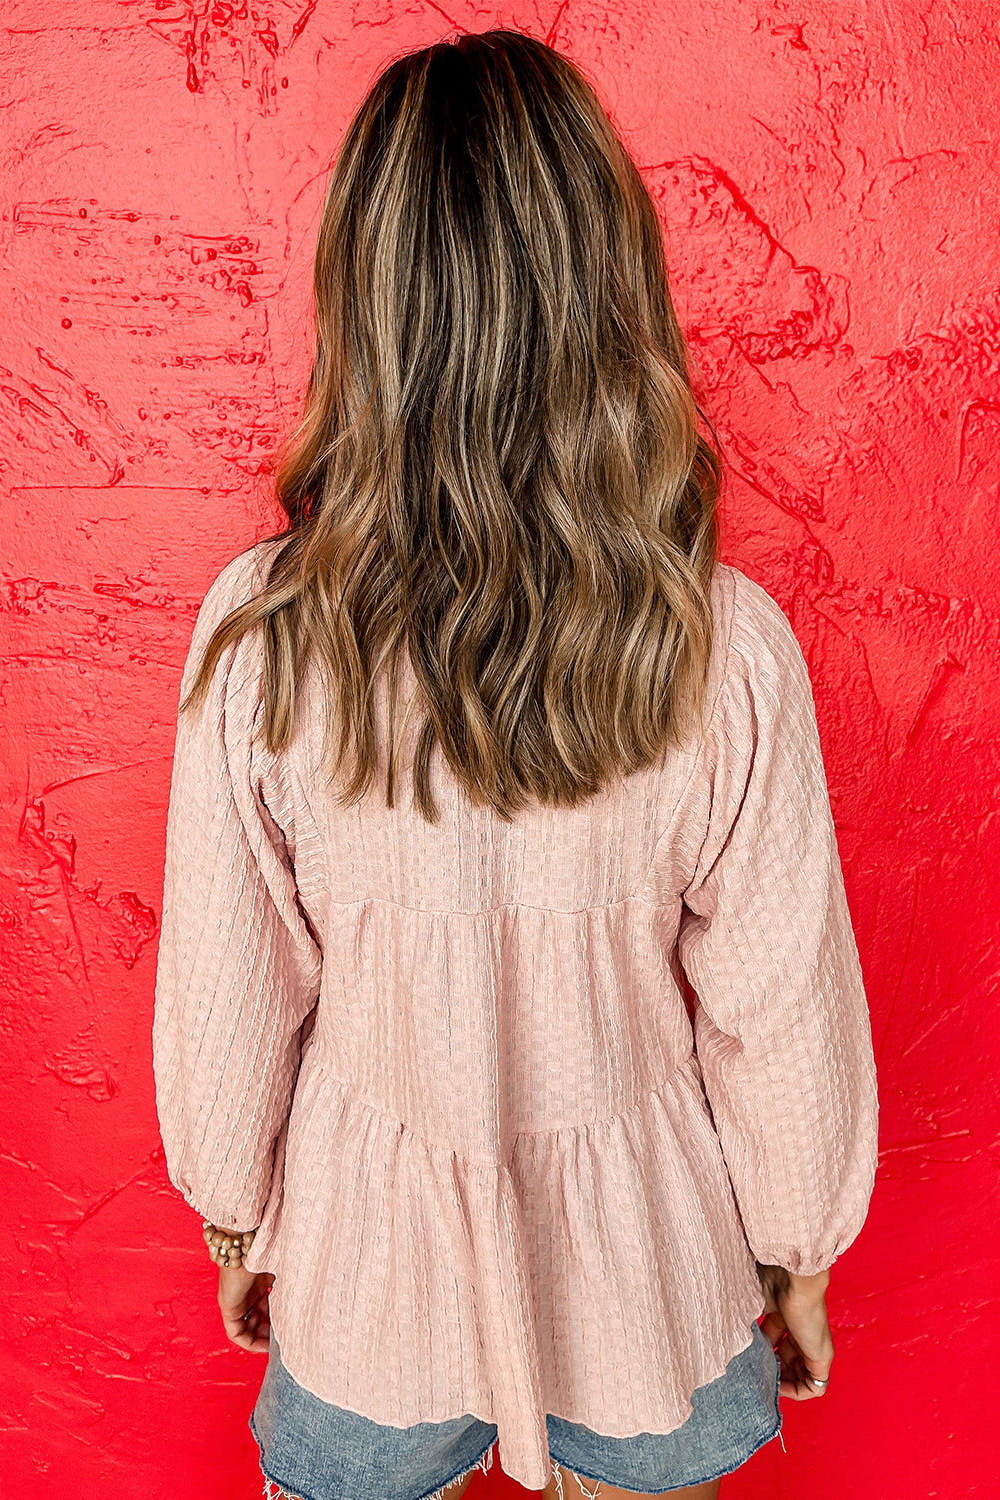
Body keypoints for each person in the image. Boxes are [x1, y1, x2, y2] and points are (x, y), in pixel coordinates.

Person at [152, 28, 879, 1500]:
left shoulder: (268, 638)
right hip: (639, 1285)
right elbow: (780, 1019)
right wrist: (792, 1256)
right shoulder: (722, 648)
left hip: (372, 1283)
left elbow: (232, 1001)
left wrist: (240, 1223)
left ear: (364, 293)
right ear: (610, 281)